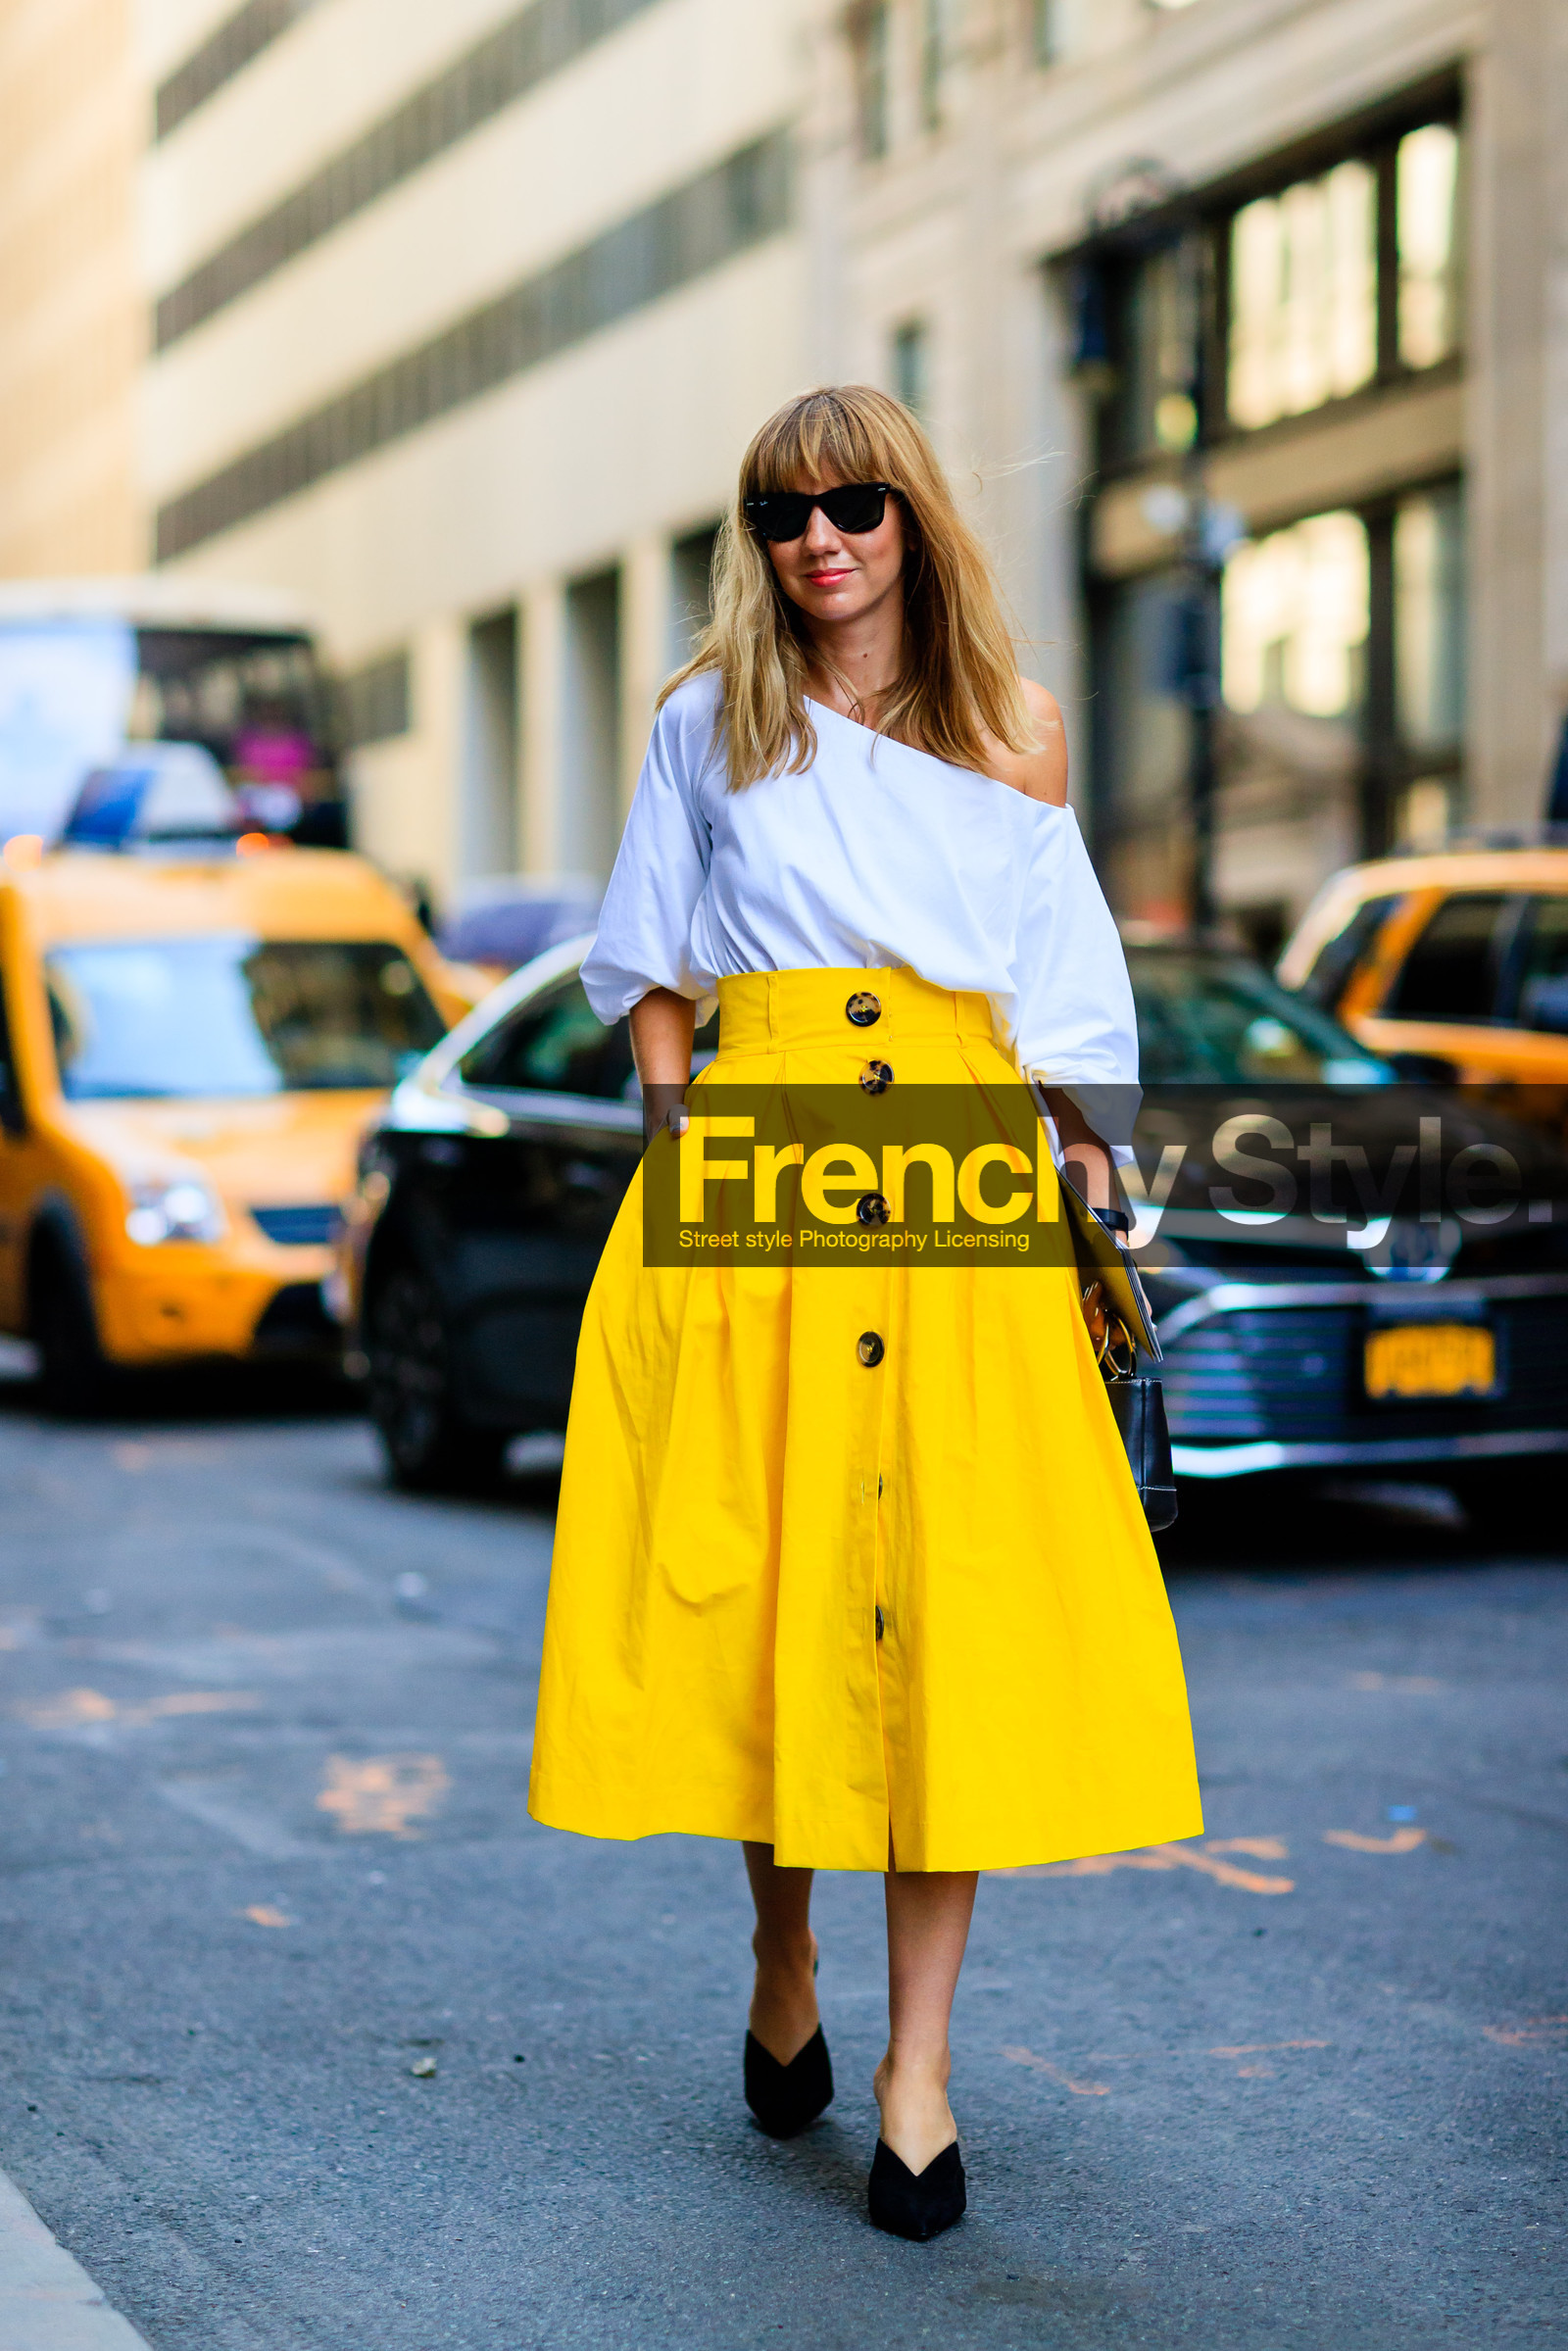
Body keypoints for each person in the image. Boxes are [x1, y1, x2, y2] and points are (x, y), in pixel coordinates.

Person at [528, 385, 1201, 2241]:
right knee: (775, 1588)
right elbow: (651, 966)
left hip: (961, 1178)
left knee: (947, 1615)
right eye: (781, 513)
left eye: (851, 505)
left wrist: (1092, 1180)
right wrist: (680, 1147)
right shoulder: (706, 722)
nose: (817, 540)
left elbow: (1064, 978)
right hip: (766, 1175)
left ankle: (919, 2068)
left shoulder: (1017, 729)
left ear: (911, 518)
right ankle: (782, 1950)